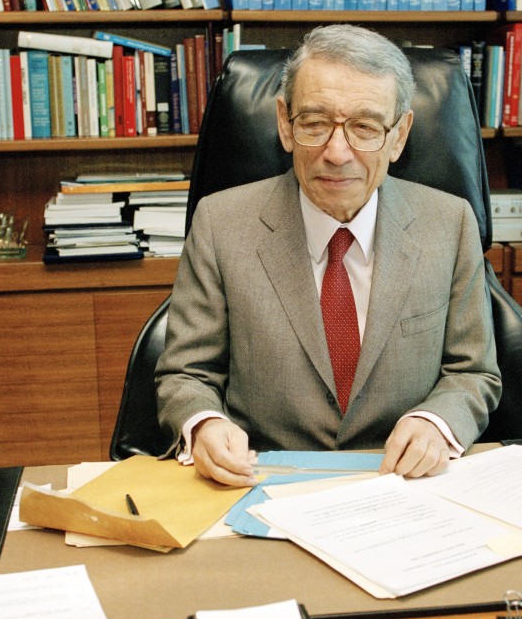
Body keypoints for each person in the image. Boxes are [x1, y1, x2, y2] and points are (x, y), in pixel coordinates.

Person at [155, 24, 501, 487]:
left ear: (399, 136)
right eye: (315, 124)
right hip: (262, 477)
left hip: (403, 482)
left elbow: (473, 371)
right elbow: (186, 373)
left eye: (365, 127)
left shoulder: (449, 223)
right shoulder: (220, 224)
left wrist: (436, 422)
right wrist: (204, 425)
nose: (337, 153)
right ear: (285, 124)